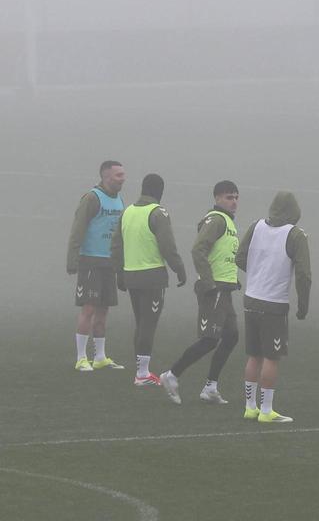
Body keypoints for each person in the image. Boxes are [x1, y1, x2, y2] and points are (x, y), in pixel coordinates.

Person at [160, 181, 242, 405]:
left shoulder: (226, 221)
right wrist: (209, 283)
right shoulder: (216, 220)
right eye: (228, 197)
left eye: (235, 197)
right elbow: (198, 249)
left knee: (232, 336)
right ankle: (171, 375)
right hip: (213, 289)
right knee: (209, 340)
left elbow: (222, 254)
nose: (233, 201)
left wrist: (234, 278)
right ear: (217, 198)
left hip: (225, 289)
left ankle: (210, 388)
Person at [238, 191, 311, 424]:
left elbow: (240, 257)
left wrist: (259, 272)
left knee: (254, 355)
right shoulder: (296, 235)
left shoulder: (255, 226)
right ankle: (267, 410)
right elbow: (303, 274)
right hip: (273, 304)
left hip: (250, 299)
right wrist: (303, 304)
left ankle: (250, 407)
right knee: (271, 357)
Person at [110, 173, 186, 387]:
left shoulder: (127, 212)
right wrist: (179, 269)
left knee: (141, 322)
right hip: (152, 277)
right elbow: (167, 246)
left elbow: (116, 245)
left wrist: (119, 273)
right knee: (148, 324)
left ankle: (140, 371)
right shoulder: (158, 212)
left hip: (131, 275)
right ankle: (142, 374)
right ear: (160, 191)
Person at [66, 160, 126, 371]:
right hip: (90, 261)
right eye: (118, 175)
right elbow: (77, 229)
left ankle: (100, 357)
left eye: (123, 174)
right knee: (89, 308)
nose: (123, 178)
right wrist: (72, 260)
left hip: (109, 262)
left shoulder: (119, 200)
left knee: (103, 311)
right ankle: (81, 357)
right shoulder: (92, 198)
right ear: (105, 176)